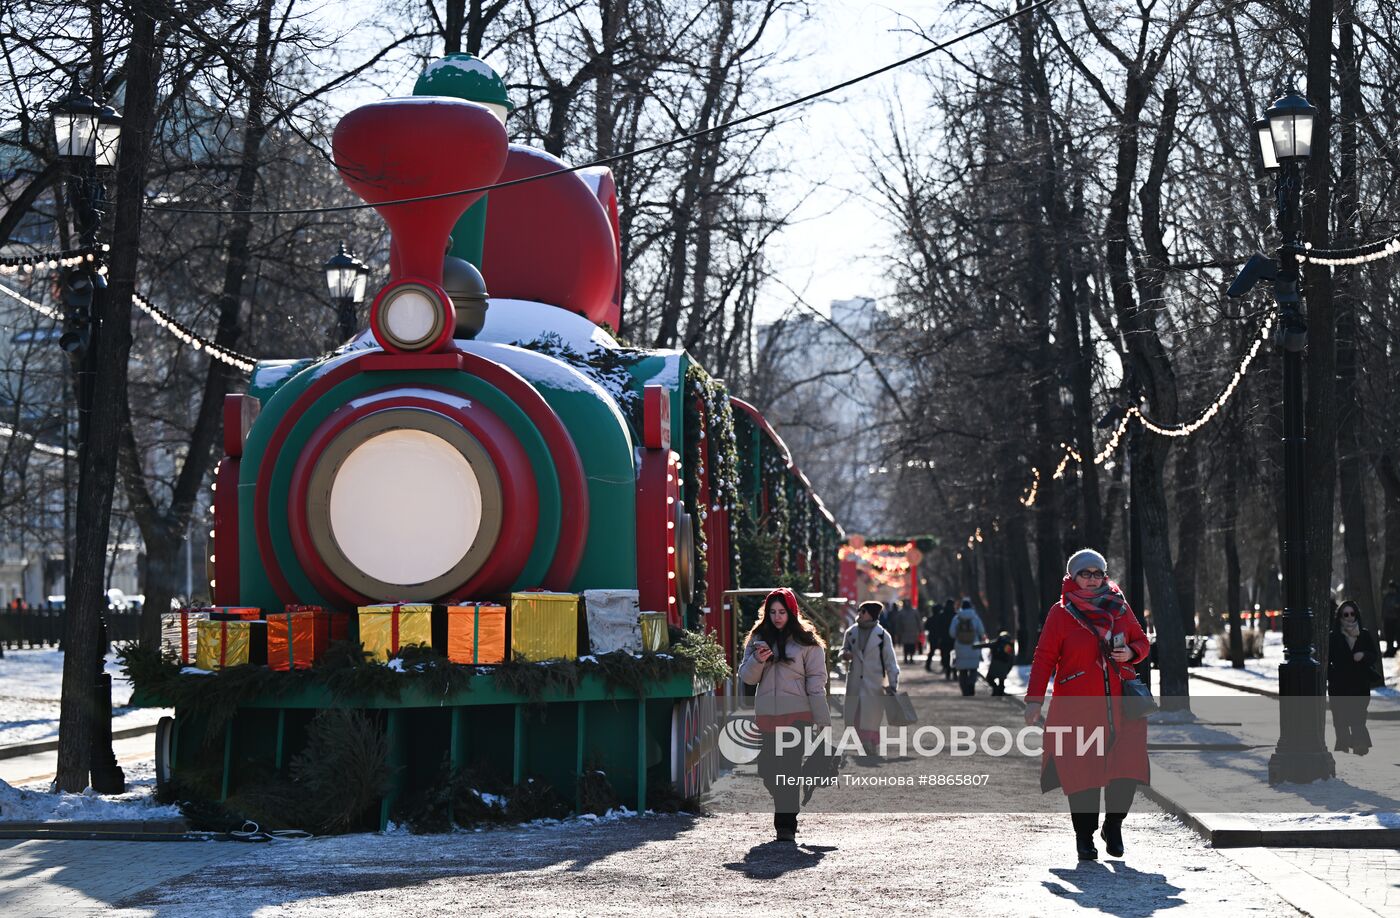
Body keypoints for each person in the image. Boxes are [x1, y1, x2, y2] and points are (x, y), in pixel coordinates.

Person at [1025, 549, 1150, 861]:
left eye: (1098, 573)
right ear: (1073, 577)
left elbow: (1142, 642)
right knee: (1082, 771)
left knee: (1127, 768)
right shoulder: (1061, 612)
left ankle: (1114, 825)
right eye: (1086, 573)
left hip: (1124, 707)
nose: (1093, 579)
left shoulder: (1120, 606)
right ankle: (1084, 838)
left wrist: (1131, 654)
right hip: (1077, 706)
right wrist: (1034, 700)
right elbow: (1043, 659)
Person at [738, 587, 831, 842]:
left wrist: (822, 721)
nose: (777, 617)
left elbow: (816, 684)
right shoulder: (758, 638)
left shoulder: (808, 643)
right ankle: (789, 799)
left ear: (792, 613)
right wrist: (758, 660)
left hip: (798, 716)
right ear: (766, 613)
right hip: (767, 715)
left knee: (788, 769)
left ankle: (786, 825)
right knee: (767, 770)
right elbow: (746, 677)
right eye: (772, 612)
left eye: (782, 612)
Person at [840, 600, 900, 757]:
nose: (859, 614)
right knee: (857, 714)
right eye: (859, 611)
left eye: (863, 611)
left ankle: (871, 743)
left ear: (872, 614)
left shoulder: (883, 635)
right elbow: (843, 649)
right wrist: (844, 654)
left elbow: (890, 661)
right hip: (855, 680)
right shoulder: (851, 632)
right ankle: (865, 742)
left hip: (875, 682)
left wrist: (893, 683)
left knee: (872, 716)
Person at [1328, 599, 1381, 755]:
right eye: (1346, 614)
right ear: (1340, 617)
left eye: (1352, 613)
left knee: (1358, 718)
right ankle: (1343, 749)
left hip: (1360, 684)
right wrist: (1333, 675)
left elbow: (1374, 656)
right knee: (1341, 719)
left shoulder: (1364, 635)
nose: (1350, 617)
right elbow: (1327, 660)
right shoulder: (1334, 636)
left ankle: (1360, 746)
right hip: (1339, 685)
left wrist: (1363, 655)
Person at [949, 598, 987, 696]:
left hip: (960, 646)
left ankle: (965, 690)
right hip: (973, 646)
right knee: (973, 669)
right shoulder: (975, 618)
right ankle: (971, 684)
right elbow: (981, 631)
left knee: (962, 671)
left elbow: (952, 633)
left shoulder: (957, 618)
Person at [975, 630, 1016, 696]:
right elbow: (1011, 658)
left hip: (995, 664)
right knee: (1001, 680)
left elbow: (985, 645)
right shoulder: (1009, 645)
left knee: (990, 678)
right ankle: (1000, 693)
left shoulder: (996, 642)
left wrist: (975, 646)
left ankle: (996, 690)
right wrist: (1009, 668)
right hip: (1004, 665)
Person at [936, 598, 957, 681]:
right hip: (953, 639)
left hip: (944, 639)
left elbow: (938, 628)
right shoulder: (955, 615)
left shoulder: (942, 615)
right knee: (954, 656)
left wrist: (939, 638)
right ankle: (954, 672)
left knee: (945, 656)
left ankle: (947, 672)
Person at [895, 599, 921, 664]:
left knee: (912, 646)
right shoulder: (901, 612)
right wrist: (898, 631)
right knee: (906, 646)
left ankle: (911, 658)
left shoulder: (914, 611)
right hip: (904, 632)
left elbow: (919, 621)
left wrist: (920, 629)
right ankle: (906, 658)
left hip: (913, 632)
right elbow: (898, 622)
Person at [1382, 582, 1400, 658]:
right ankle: (1390, 650)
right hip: (1387, 619)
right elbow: (1384, 608)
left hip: (1396, 620)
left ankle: (1395, 650)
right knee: (1389, 636)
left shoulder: (1397, 596)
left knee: (1397, 636)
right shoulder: (1387, 597)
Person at [924, 604, 941, 672]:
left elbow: (926, 627)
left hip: (932, 637)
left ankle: (928, 665)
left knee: (931, 651)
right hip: (939, 637)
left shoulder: (930, 618)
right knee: (942, 652)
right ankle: (944, 665)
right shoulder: (940, 618)